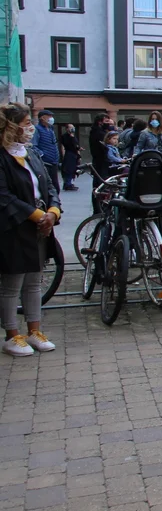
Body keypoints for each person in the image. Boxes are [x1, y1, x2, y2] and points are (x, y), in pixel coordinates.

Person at [0, 104, 62, 358]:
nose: (30, 128)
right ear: (11, 126)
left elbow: (50, 186)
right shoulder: (2, 157)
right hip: (14, 227)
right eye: (26, 123)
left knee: (34, 282)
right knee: (12, 283)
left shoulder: (31, 154)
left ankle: (34, 331)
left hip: (40, 227)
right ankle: (12, 335)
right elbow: (4, 195)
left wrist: (53, 212)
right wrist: (37, 215)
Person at [32, 109, 62, 196]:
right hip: (45, 162)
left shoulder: (50, 129)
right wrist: (42, 154)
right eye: (49, 116)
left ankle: (55, 201)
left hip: (53, 162)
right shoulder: (37, 129)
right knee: (48, 186)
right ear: (42, 118)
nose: (51, 118)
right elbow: (33, 145)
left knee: (55, 186)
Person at [59, 124, 81, 191]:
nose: (72, 128)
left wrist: (79, 155)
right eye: (71, 127)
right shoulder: (65, 136)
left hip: (74, 154)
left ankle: (69, 183)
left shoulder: (74, 136)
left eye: (73, 127)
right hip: (69, 154)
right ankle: (67, 184)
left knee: (73, 169)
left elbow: (76, 146)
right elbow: (64, 145)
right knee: (68, 169)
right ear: (67, 129)